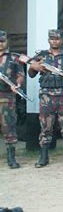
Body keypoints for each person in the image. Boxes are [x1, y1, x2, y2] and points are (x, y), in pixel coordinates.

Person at [28, 29, 63, 168]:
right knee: (45, 128)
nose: (55, 41)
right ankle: (43, 157)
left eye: (57, 39)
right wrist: (34, 67)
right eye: (52, 39)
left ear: (61, 40)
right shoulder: (41, 56)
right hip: (47, 97)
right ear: (48, 40)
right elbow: (31, 74)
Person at [0, 30, 25, 169]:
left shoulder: (13, 58)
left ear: (6, 42)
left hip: (6, 97)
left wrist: (18, 84)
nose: (0, 44)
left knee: (9, 127)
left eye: (2, 41)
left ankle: (11, 158)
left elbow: (20, 74)